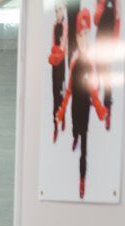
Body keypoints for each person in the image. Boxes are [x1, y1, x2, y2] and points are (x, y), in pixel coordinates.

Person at [57, 8, 109, 199]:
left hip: (85, 107)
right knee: (75, 130)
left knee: (84, 147)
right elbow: (69, 90)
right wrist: (61, 111)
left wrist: (101, 110)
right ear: (77, 37)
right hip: (74, 107)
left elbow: (93, 91)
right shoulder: (74, 63)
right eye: (81, 35)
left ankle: (82, 180)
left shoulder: (90, 64)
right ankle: (75, 136)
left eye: (87, 34)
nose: (84, 38)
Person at [94, 0, 121, 130]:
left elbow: (117, 23)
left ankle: (107, 110)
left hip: (108, 45)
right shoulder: (100, 1)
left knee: (107, 78)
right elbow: (95, 21)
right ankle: (97, 100)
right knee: (98, 70)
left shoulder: (117, 3)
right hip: (99, 40)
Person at [49, 2, 68, 142]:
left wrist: (56, 53)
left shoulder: (65, 25)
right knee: (54, 93)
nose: (57, 13)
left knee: (61, 92)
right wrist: (54, 54)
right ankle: (55, 124)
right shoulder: (54, 26)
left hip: (61, 64)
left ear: (63, 10)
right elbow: (52, 46)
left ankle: (63, 117)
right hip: (54, 65)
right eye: (55, 11)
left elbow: (62, 47)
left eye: (59, 10)